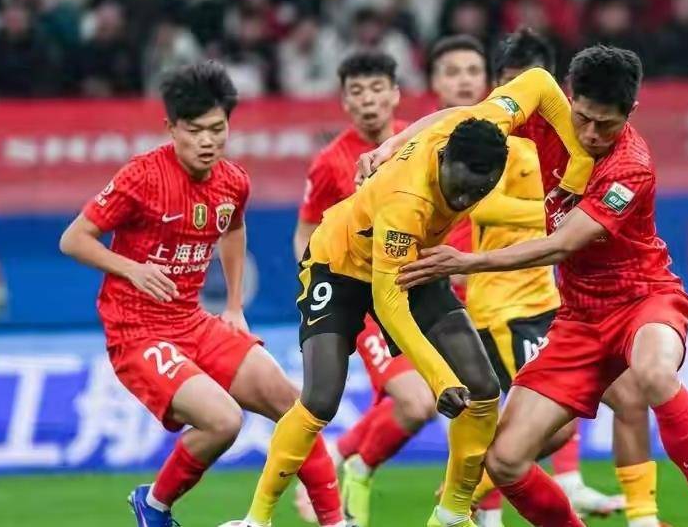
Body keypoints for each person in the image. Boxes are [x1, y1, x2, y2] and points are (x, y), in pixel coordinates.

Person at [238, 67, 595, 527]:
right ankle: (257, 518)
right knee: (320, 399)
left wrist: (578, 170)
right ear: (443, 158)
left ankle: (451, 514)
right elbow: (389, 304)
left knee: (483, 389)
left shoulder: (486, 125)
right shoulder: (407, 200)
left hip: (416, 261)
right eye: (459, 187)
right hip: (341, 264)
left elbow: (541, 82)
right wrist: (439, 378)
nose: (464, 199)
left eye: (478, 190)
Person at [394, 45, 688, 527]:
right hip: (579, 318)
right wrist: (391, 147)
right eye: (584, 118)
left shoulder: (630, 166)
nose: (591, 134)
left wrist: (468, 261)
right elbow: (461, 120)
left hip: (645, 297)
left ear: (631, 113)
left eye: (606, 125)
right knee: (505, 460)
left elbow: (562, 244)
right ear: (569, 98)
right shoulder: (548, 117)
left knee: (654, 375)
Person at [57, 61, 344, 527]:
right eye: (194, 131)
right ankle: (154, 504)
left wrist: (233, 305)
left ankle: (336, 522)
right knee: (224, 421)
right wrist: (132, 269)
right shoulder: (142, 177)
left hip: (191, 321)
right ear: (171, 128)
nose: (207, 141)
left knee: (297, 406)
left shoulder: (233, 181)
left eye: (217, 128)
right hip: (138, 332)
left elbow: (234, 228)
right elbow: (73, 239)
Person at [448, 30, 666, 527]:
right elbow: (482, 206)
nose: (520, 99)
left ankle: (641, 516)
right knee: (528, 432)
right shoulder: (497, 140)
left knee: (627, 398)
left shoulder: (571, 139)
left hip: (551, 297)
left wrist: (574, 221)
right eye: (509, 83)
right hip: (506, 305)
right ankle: (465, 500)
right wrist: (561, 219)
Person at [291, 50, 437, 527]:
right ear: (345, 102)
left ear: (395, 94)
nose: (368, 100)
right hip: (365, 298)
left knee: (434, 401)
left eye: (377, 89)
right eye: (357, 92)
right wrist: (321, 286)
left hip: (417, 289)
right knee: (417, 401)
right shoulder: (330, 162)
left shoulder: (420, 140)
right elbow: (305, 232)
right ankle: (346, 464)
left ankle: (346, 458)